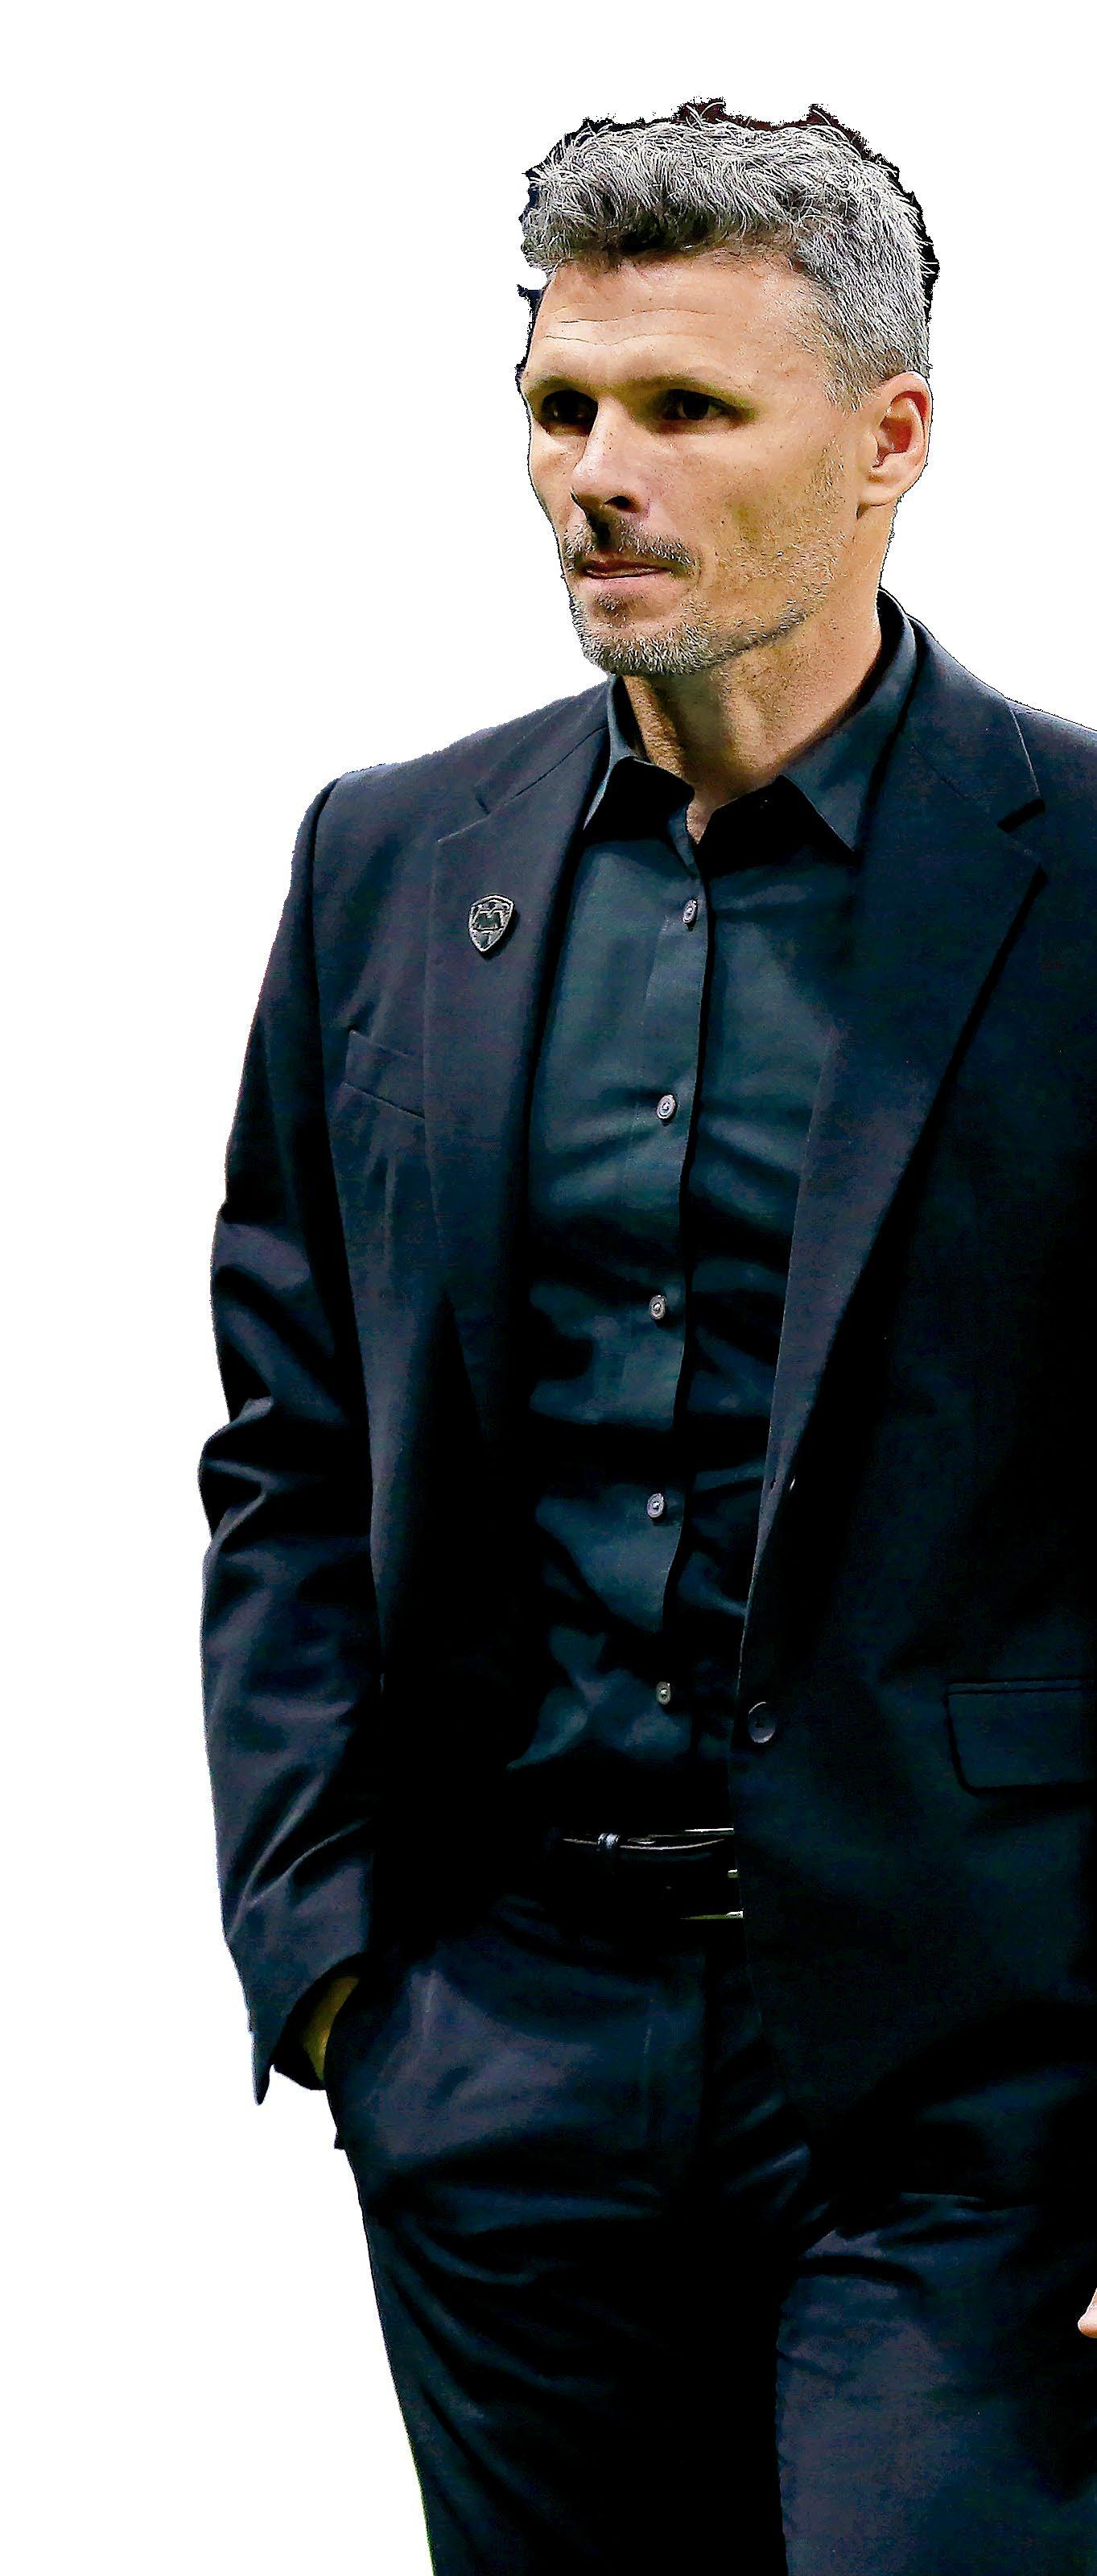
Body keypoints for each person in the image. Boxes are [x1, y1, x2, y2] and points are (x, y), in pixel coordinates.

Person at [198, 97, 1097, 2572]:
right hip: (501, 2054)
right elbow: (289, 1437)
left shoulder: (1082, 878)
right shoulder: (388, 863)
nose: (598, 473)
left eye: (686, 409)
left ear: (887, 440)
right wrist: (334, 1968)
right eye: (562, 407)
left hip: (967, 2083)